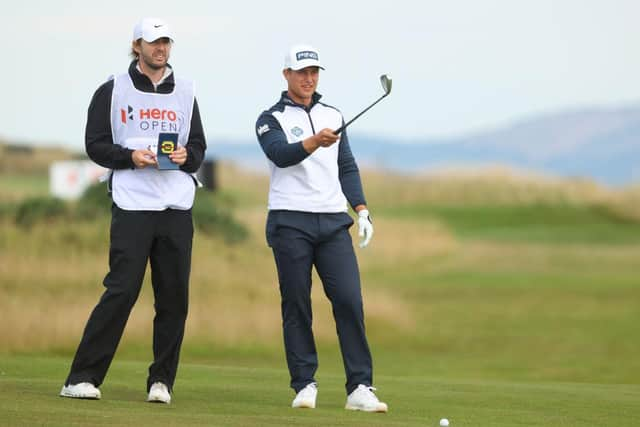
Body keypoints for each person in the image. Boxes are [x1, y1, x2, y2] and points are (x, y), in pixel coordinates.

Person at [60, 17, 206, 404]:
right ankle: (81, 377)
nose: (160, 49)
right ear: (137, 45)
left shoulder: (187, 92)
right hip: (133, 203)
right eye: (153, 42)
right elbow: (95, 145)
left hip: (176, 205)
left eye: (166, 42)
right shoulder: (113, 89)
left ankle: (162, 381)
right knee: (122, 290)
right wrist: (130, 157)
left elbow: (199, 150)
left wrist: (186, 155)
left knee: (174, 297)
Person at [255, 44, 388, 413]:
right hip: (289, 221)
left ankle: (360, 386)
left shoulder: (334, 114)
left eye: (314, 71)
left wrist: (361, 209)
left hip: (332, 222)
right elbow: (280, 154)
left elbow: (346, 166)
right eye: (301, 72)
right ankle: (304, 383)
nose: (309, 78)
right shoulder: (270, 118)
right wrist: (314, 141)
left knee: (348, 301)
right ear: (287, 75)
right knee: (297, 304)